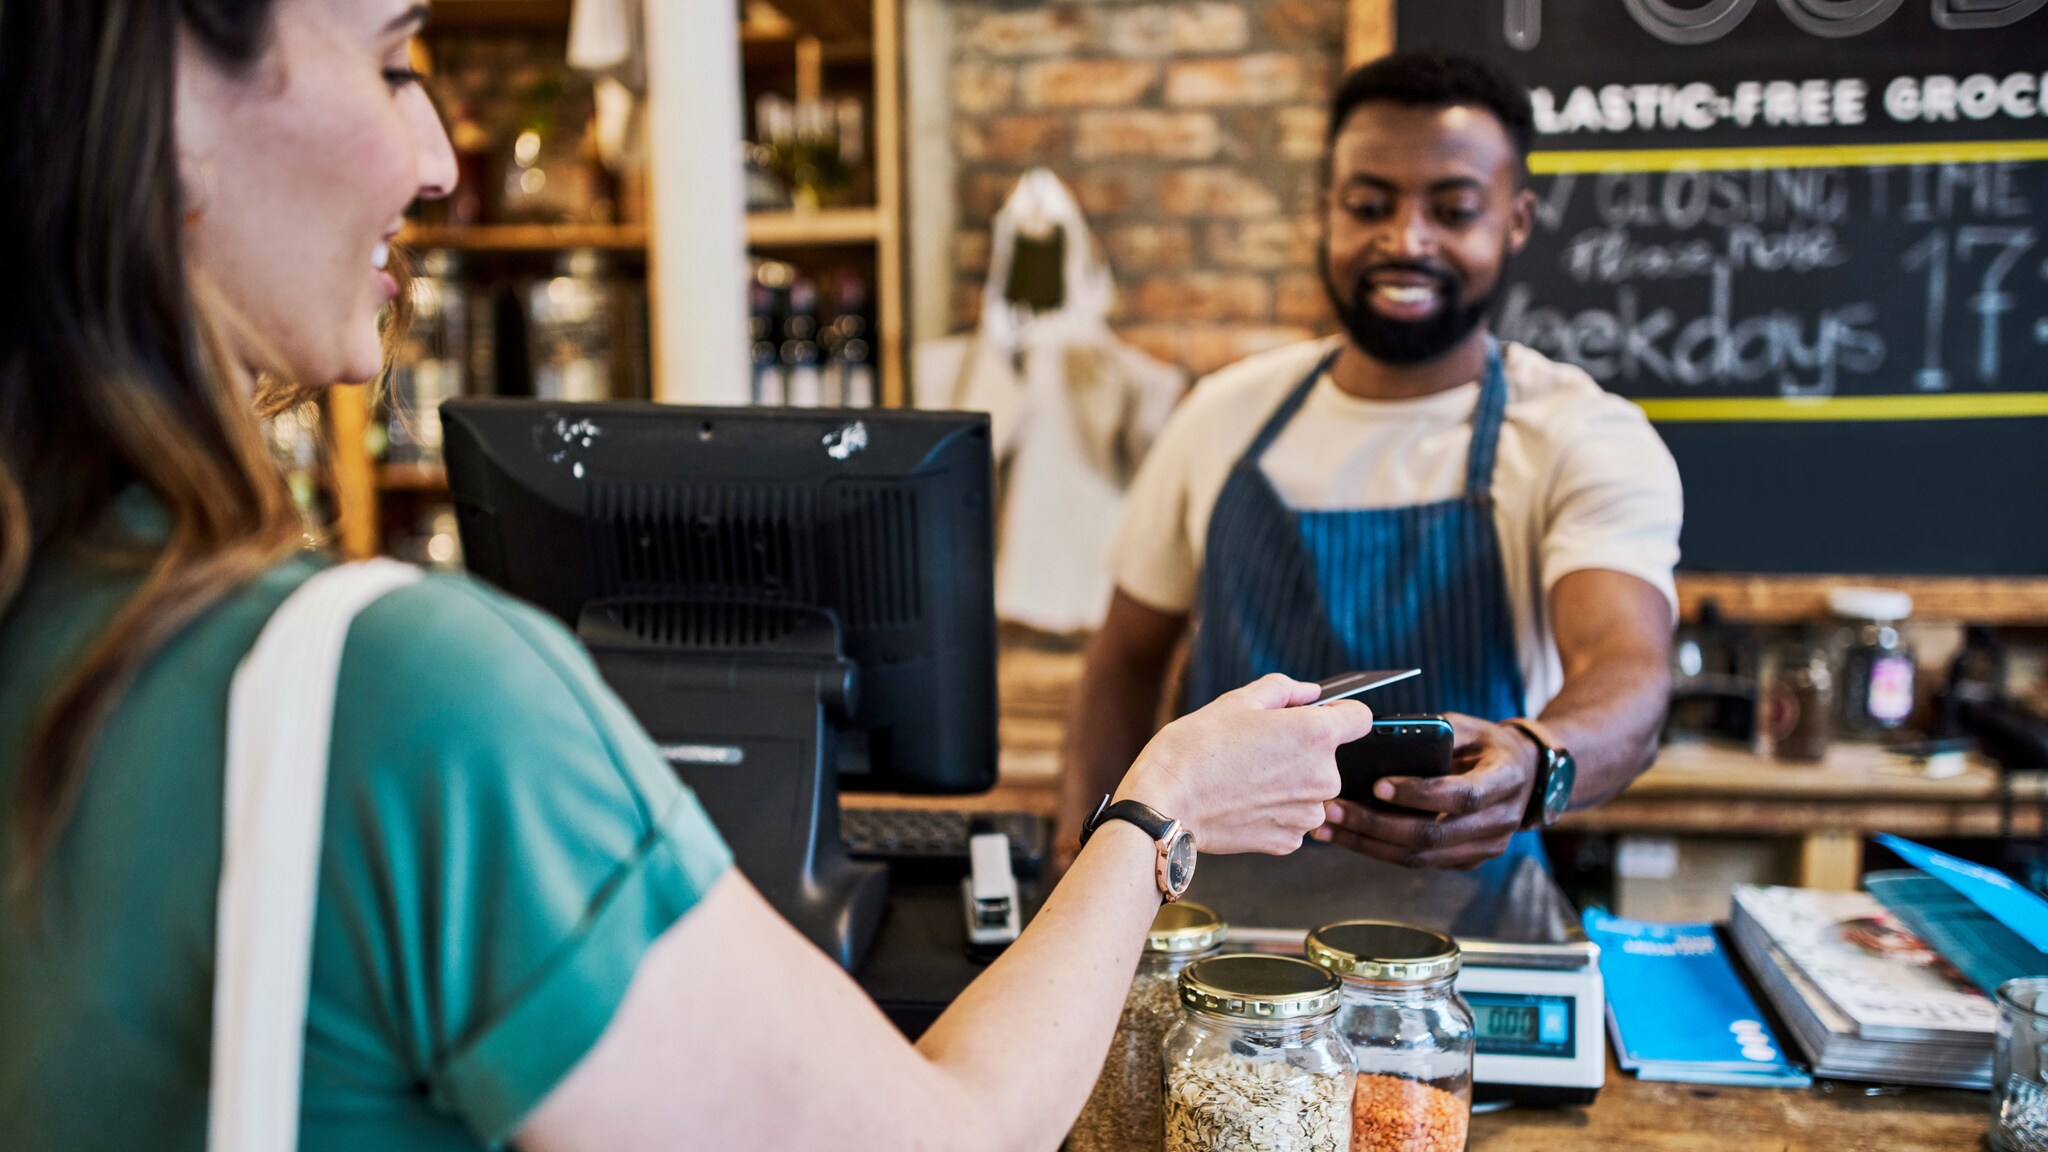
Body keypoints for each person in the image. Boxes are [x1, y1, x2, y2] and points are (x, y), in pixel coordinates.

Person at [0, 3, 1372, 1150]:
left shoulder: (55, 620)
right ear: (168, 105)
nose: (435, 160)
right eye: (395, 60)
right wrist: (1162, 806)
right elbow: (942, 1138)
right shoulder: (405, 697)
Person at [1057, 52, 1683, 928]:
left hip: (1473, 949)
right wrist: (1085, 878)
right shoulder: (1222, 417)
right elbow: (1123, 664)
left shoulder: (1582, 435)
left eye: (1453, 209)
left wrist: (1539, 759)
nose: (1407, 239)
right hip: (1213, 944)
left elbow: (1629, 668)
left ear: (1516, 220)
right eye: (1369, 205)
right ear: (1326, 212)